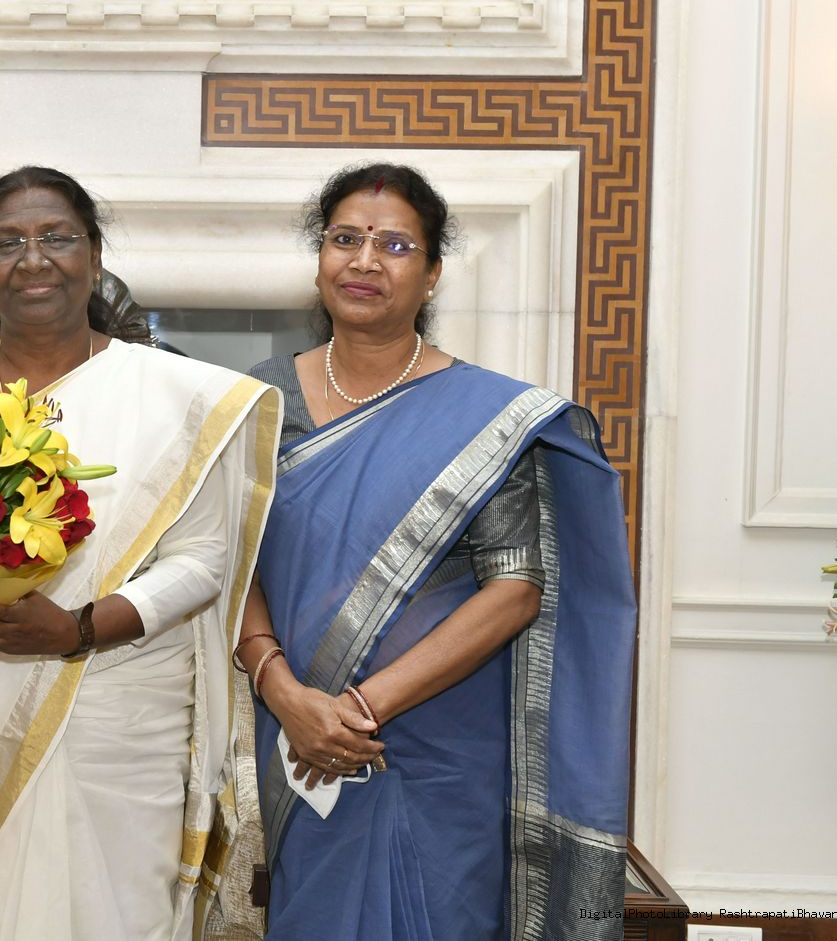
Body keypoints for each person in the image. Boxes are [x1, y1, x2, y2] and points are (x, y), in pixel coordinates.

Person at [0, 165, 281, 940]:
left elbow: (204, 561)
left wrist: (79, 627)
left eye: (56, 238)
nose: (32, 259)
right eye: (6, 242)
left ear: (95, 257)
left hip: (116, 710)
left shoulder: (173, 394)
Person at [236, 163, 636, 939]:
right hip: (296, 735)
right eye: (344, 239)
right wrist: (283, 691)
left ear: (432, 273)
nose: (364, 260)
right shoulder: (259, 400)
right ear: (319, 260)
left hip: (433, 743)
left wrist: (360, 709)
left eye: (394, 245)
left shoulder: (485, 415)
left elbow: (516, 586)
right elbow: (233, 561)